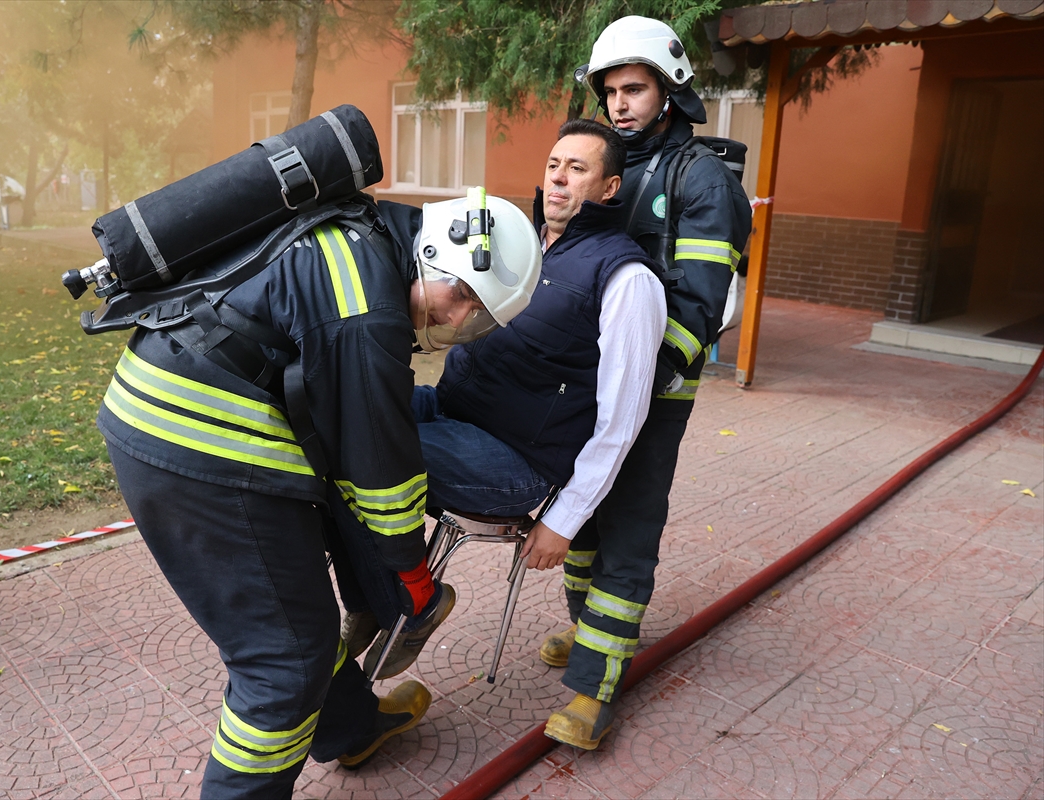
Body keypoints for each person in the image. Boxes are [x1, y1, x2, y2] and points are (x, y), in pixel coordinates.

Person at [97, 190, 541, 798]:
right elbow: (380, 467)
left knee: (298, 613)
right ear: (433, 252)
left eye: (477, 312)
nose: (459, 319)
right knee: (283, 664)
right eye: (460, 295)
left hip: (169, 416)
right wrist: (412, 573)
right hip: (203, 450)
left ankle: (351, 729)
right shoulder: (368, 311)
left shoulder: (362, 236)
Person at [335, 120, 669, 703]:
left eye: (579, 169)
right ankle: (377, 596)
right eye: (554, 166)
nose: (560, 180)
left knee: (361, 437)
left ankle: (411, 602)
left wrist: (563, 519)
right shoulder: (521, 248)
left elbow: (624, 417)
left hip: (516, 465)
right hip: (453, 414)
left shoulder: (627, 277)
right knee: (337, 407)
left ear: (610, 188)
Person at [529, 16, 753, 750]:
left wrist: (640, 384)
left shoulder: (702, 179)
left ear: (669, 88)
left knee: (627, 523)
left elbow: (697, 302)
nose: (620, 103)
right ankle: (591, 635)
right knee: (581, 512)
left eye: (635, 87)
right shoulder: (609, 163)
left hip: (657, 386)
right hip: (585, 379)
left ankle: (593, 689)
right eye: (611, 90)